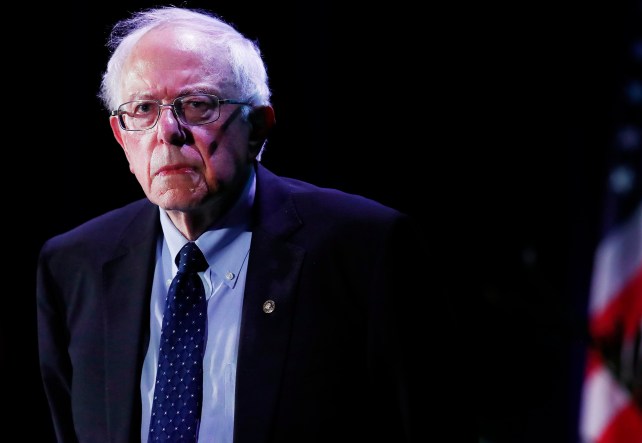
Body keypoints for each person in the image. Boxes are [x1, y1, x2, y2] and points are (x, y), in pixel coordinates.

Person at [36, 6, 472, 443]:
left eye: (197, 105)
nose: (167, 131)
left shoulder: (366, 249)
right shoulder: (75, 265)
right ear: (120, 136)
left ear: (259, 127)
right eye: (144, 109)